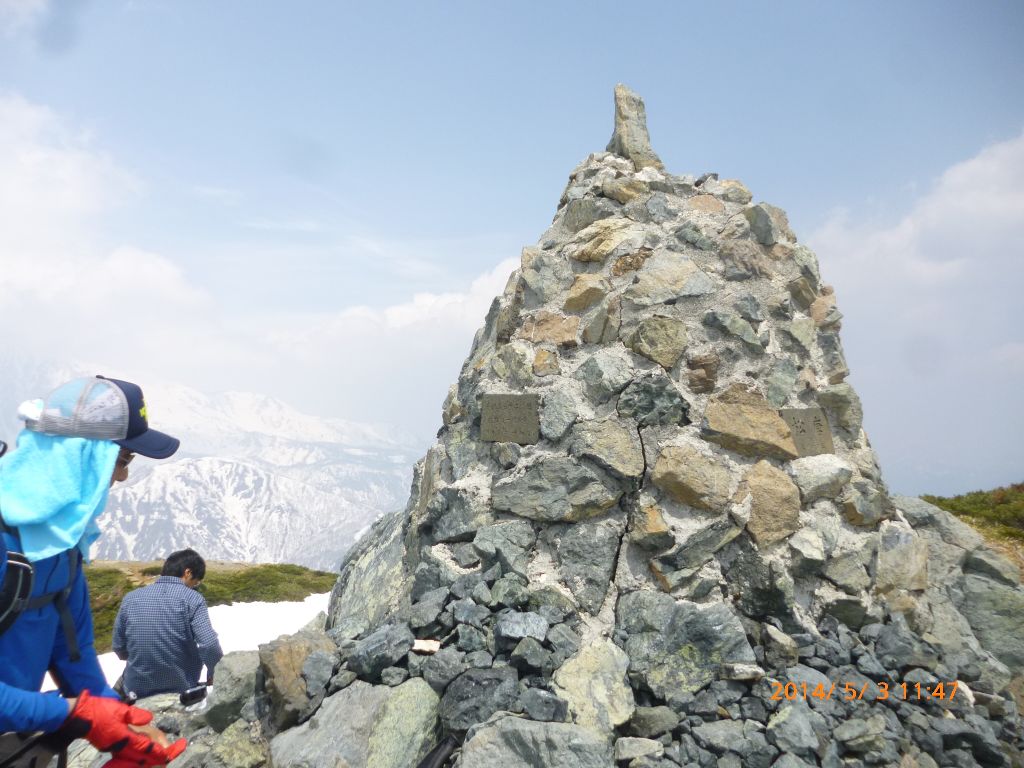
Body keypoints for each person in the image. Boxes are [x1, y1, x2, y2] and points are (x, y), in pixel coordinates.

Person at [0, 376, 187, 768]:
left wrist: (125, 730)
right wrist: (75, 714)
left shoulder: (61, 553)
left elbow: (77, 659)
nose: (122, 477)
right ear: (79, 456)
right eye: (122, 460)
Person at [113, 549, 223, 699]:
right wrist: (215, 672)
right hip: (180, 688)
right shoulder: (193, 599)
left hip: (135, 689)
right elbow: (209, 644)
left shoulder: (131, 598)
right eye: (195, 583)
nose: (194, 587)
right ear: (188, 573)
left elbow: (119, 647)